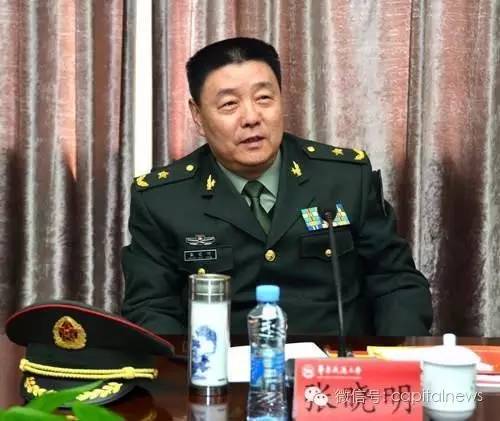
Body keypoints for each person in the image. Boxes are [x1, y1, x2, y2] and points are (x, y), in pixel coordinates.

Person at [121, 37, 433, 336]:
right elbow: (151, 307)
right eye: (229, 104)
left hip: (334, 363)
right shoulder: (163, 199)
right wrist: (191, 367)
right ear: (198, 116)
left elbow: (396, 282)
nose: (251, 117)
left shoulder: (345, 178)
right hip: (221, 365)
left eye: (264, 98)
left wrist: (390, 358)